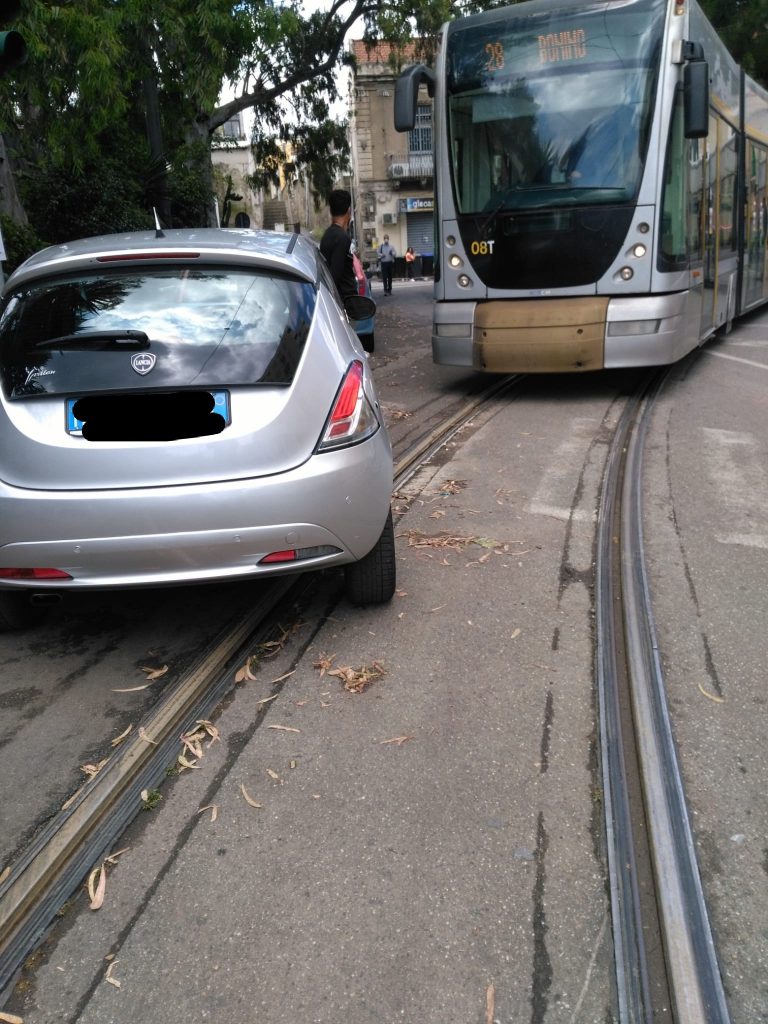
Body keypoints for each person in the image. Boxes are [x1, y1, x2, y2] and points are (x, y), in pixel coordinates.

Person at [320, 189, 357, 304]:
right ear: (348, 211)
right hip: (344, 303)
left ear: (331, 211)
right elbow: (335, 276)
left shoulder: (327, 235)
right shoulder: (342, 238)